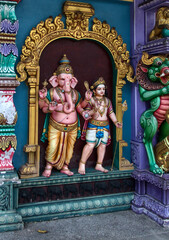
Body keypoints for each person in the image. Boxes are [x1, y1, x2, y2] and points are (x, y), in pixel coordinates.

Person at [39, 55, 90, 177]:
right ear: (55, 80)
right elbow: (43, 106)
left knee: (69, 147)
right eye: (62, 79)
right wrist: (48, 108)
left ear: (73, 81)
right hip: (56, 125)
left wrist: (86, 101)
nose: (66, 82)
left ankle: (65, 166)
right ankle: (48, 166)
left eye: (69, 80)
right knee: (53, 146)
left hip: (72, 126)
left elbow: (78, 107)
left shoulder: (75, 93)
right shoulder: (52, 92)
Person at [78, 77, 122, 175]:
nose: (102, 91)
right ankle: (82, 163)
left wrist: (116, 122)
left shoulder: (107, 101)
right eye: (99, 89)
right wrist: (92, 107)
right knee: (90, 145)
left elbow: (111, 113)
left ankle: (99, 164)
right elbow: (85, 110)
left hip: (105, 126)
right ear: (94, 90)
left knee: (102, 145)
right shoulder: (92, 100)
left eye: (103, 89)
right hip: (93, 125)